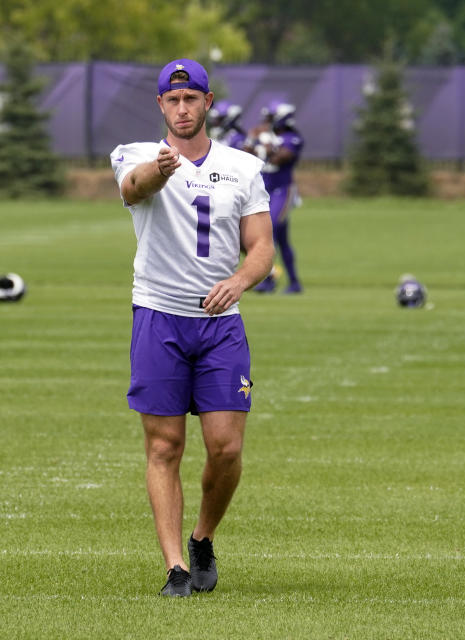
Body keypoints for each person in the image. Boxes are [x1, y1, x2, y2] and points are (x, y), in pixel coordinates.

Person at [110, 59, 274, 597]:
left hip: (219, 323)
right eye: (173, 100)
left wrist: (240, 280)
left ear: (207, 103)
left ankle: (203, 536)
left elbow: (262, 249)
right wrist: (162, 168)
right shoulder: (137, 155)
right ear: (161, 106)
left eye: (192, 99)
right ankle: (176, 567)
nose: (182, 109)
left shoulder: (242, 167)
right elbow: (133, 190)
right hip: (158, 315)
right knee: (165, 446)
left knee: (225, 448)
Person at [247, 103, 304, 294]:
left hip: (283, 190)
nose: (267, 122)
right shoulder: (267, 136)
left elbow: (281, 157)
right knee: (281, 239)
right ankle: (294, 282)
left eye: (271, 118)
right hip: (265, 191)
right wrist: (253, 140)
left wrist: (264, 144)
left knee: (270, 228)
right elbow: (246, 154)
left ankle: (269, 278)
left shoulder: (292, 138)